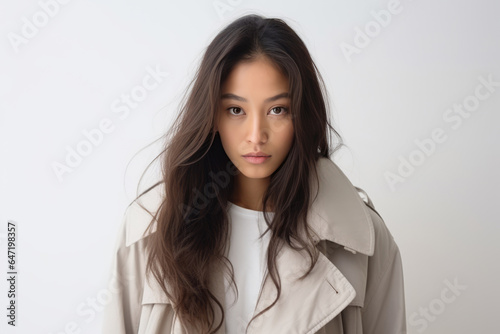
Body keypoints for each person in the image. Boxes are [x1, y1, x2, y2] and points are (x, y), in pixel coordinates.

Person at [101, 13, 407, 334]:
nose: (256, 134)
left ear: (302, 114)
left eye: (277, 110)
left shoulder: (363, 240)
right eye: (236, 110)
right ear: (211, 115)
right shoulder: (149, 229)